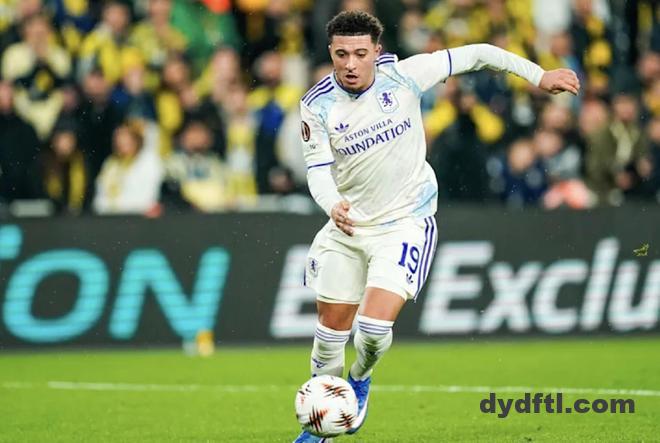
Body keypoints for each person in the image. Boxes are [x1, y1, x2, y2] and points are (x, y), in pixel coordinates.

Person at [294, 10, 579, 443]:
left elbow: (480, 53)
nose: (350, 64)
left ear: (376, 51)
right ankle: (320, 428)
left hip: (404, 221)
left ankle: (360, 380)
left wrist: (538, 76)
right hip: (348, 225)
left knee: (372, 331)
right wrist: (333, 204)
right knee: (329, 336)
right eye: (341, 55)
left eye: (360, 54)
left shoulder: (406, 76)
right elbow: (317, 170)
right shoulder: (316, 105)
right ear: (331, 53)